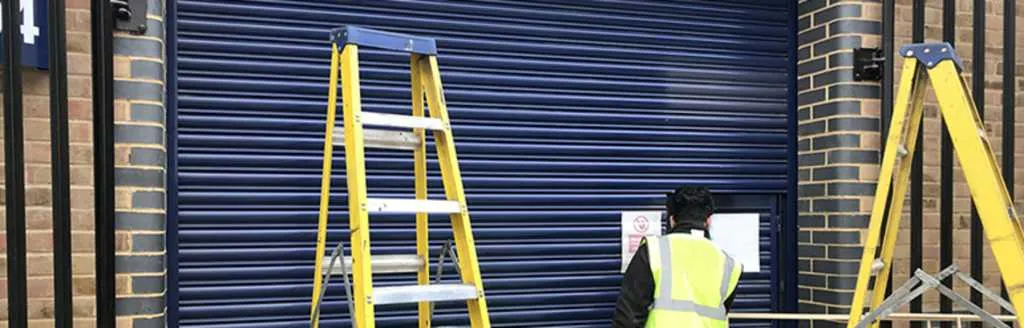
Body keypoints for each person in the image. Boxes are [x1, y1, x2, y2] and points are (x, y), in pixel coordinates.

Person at [612, 186, 742, 328]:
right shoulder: (729, 265)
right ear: (709, 220)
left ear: (672, 220)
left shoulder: (654, 250)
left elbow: (628, 318)